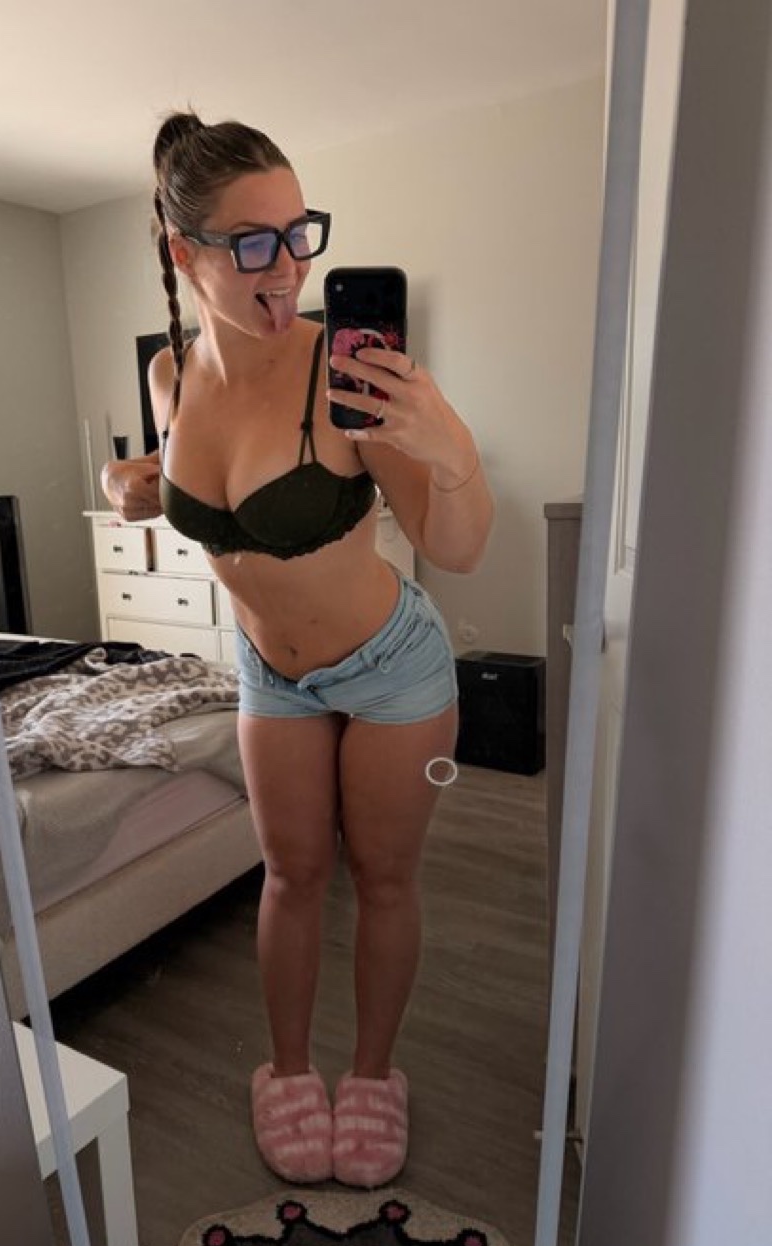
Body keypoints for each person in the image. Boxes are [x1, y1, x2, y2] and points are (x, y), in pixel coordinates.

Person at [101, 111, 494, 1189]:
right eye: (254, 241)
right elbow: (190, 480)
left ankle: (370, 1075)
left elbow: (457, 548)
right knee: (289, 874)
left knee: (383, 877)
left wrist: (451, 451)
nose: (289, 266)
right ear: (184, 253)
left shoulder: (344, 373)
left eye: (298, 231)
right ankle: (285, 1072)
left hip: (392, 669)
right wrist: (127, 482)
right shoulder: (172, 377)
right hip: (269, 673)